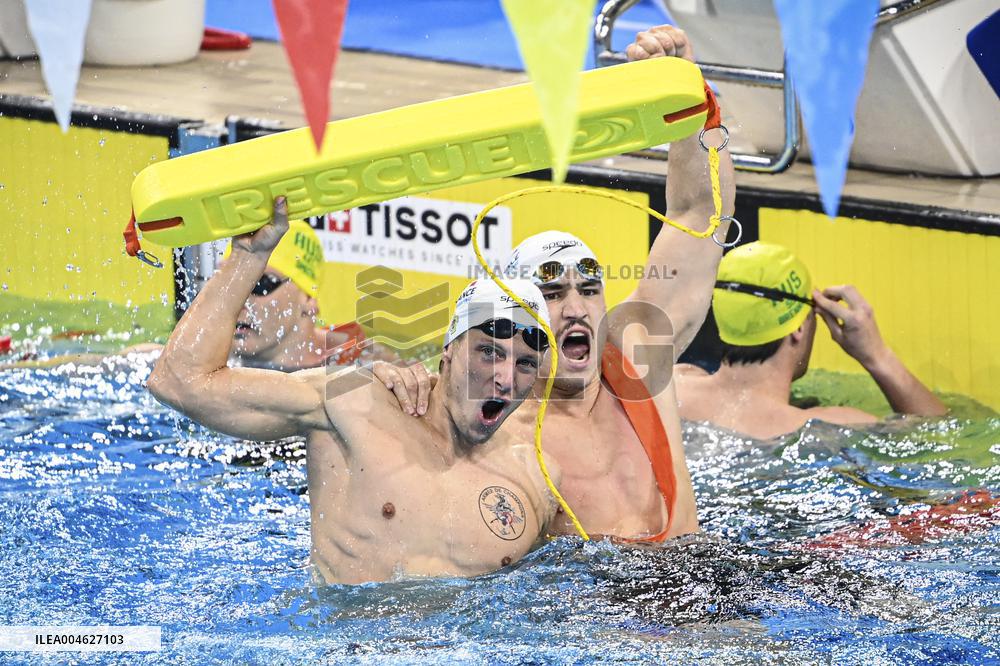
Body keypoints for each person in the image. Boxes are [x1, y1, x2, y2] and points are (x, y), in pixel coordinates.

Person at [376, 24, 737, 542]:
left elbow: (700, 213)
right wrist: (391, 384)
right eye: (551, 294)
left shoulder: (640, 353)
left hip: (702, 569)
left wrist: (684, 94)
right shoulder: (492, 421)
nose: (576, 308)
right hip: (593, 592)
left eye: (589, 290)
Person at [147, 197, 560, 584]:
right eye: (489, 353)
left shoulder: (537, 477)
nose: (506, 379)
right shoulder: (354, 397)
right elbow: (179, 381)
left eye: (525, 364)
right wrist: (247, 257)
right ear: (448, 351)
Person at [675, 241, 947, 439]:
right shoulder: (831, 426)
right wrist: (877, 356)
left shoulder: (673, 386)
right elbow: (938, 437)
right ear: (798, 328)